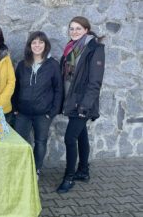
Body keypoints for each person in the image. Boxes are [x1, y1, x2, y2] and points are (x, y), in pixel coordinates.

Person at [56, 16, 105, 193]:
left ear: (86, 30)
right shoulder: (71, 48)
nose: (74, 31)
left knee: (70, 138)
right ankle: (83, 171)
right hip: (72, 100)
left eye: (78, 28)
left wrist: (84, 106)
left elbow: (95, 82)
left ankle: (69, 178)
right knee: (81, 134)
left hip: (84, 103)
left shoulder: (94, 49)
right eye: (72, 28)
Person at [12, 31, 63, 179]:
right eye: (34, 42)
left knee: (40, 142)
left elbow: (58, 89)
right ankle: (21, 169)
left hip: (43, 113)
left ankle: (36, 169)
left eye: (40, 42)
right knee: (20, 142)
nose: (37, 45)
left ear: (45, 45)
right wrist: (15, 108)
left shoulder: (53, 65)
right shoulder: (22, 65)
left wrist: (52, 112)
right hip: (22, 112)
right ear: (30, 46)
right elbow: (16, 88)